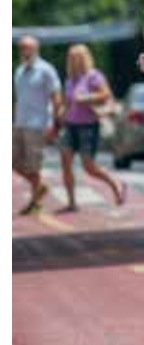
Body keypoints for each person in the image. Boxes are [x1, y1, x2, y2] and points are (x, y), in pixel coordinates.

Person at [58, 44, 126, 212]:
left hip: (88, 126)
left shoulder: (93, 76)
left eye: (79, 57)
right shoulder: (69, 80)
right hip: (70, 125)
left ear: (85, 58)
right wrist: (60, 114)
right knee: (65, 161)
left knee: (89, 167)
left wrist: (86, 98)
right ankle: (71, 202)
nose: (75, 60)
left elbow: (106, 95)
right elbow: (67, 103)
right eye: (72, 57)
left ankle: (115, 183)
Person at [13, 36, 62, 215]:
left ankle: (35, 202)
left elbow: (56, 96)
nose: (24, 51)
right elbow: (18, 99)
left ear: (36, 49)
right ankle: (40, 187)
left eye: (27, 47)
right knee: (12, 161)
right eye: (21, 48)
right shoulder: (19, 70)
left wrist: (56, 124)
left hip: (38, 124)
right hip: (19, 122)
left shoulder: (45, 70)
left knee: (34, 165)